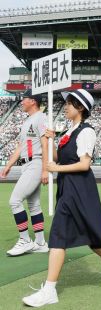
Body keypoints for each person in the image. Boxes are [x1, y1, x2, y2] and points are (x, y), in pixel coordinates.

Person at [22, 89, 101, 307]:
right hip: (69, 186)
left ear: (80, 108)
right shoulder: (69, 132)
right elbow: (57, 157)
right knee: (88, 232)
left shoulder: (86, 132)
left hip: (79, 187)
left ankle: (50, 289)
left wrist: (57, 168)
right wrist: (51, 141)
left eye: (70, 103)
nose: (66, 107)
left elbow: (84, 164)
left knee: (58, 235)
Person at [1, 89, 49, 256]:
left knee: (15, 201)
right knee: (34, 205)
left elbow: (45, 144)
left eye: (24, 99)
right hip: (27, 165)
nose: (21, 102)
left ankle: (25, 240)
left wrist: (44, 169)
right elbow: (21, 146)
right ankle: (41, 243)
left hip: (36, 163)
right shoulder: (28, 120)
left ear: (33, 101)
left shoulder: (41, 117)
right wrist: (8, 165)